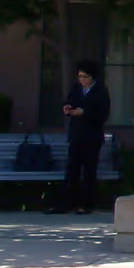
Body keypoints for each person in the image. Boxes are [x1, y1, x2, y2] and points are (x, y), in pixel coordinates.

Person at [47, 60, 110, 215]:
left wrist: (85, 112)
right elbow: (69, 101)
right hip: (76, 135)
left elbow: (103, 113)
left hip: (92, 137)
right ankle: (66, 203)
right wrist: (67, 108)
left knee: (89, 170)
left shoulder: (100, 92)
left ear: (92, 77)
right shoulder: (76, 89)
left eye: (85, 77)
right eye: (80, 77)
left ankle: (86, 204)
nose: (82, 80)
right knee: (72, 170)